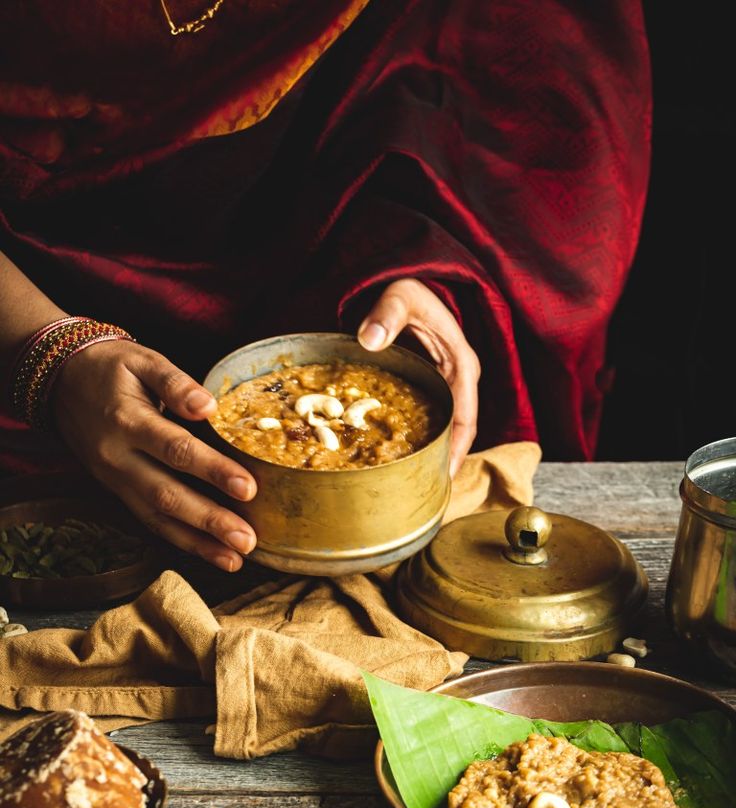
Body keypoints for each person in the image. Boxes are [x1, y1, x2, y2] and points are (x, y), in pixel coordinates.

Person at [0, 0, 651, 572]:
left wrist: (429, 259)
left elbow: (507, 83)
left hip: (329, 283)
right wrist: (46, 354)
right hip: (28, 365)